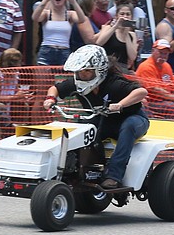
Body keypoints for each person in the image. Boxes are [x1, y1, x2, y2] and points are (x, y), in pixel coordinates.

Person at [43, 45, 148, 190]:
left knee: (128, 126)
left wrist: (119, 105)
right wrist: (50, 99)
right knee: (83, 128)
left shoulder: (114, 83)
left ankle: (114, 176)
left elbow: (141, 92)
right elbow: (56, 88)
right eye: (80, 71)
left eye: (87, 71)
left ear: (98, 70)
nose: (83, 74)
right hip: (104, 120)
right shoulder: (77, 83)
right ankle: (82, 170)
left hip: (134, 119)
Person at [32, 0, 85, 66]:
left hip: (64, 51)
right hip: (47, 51)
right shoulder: (46, 14)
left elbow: (82, 19)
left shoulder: (69, 14)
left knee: (63, 78)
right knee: (44, 78)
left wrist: (73, 2)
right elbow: (35, 17)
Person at [95, 2, 141, 70]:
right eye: (122, 14)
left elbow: (132, 57)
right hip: (107, 66)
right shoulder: (108, 28)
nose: (125, 16)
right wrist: (115, 26)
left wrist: (126, 34)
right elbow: (99, 43)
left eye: (128, 14)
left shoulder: (132, 35)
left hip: (122, 69)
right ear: (116, 16)